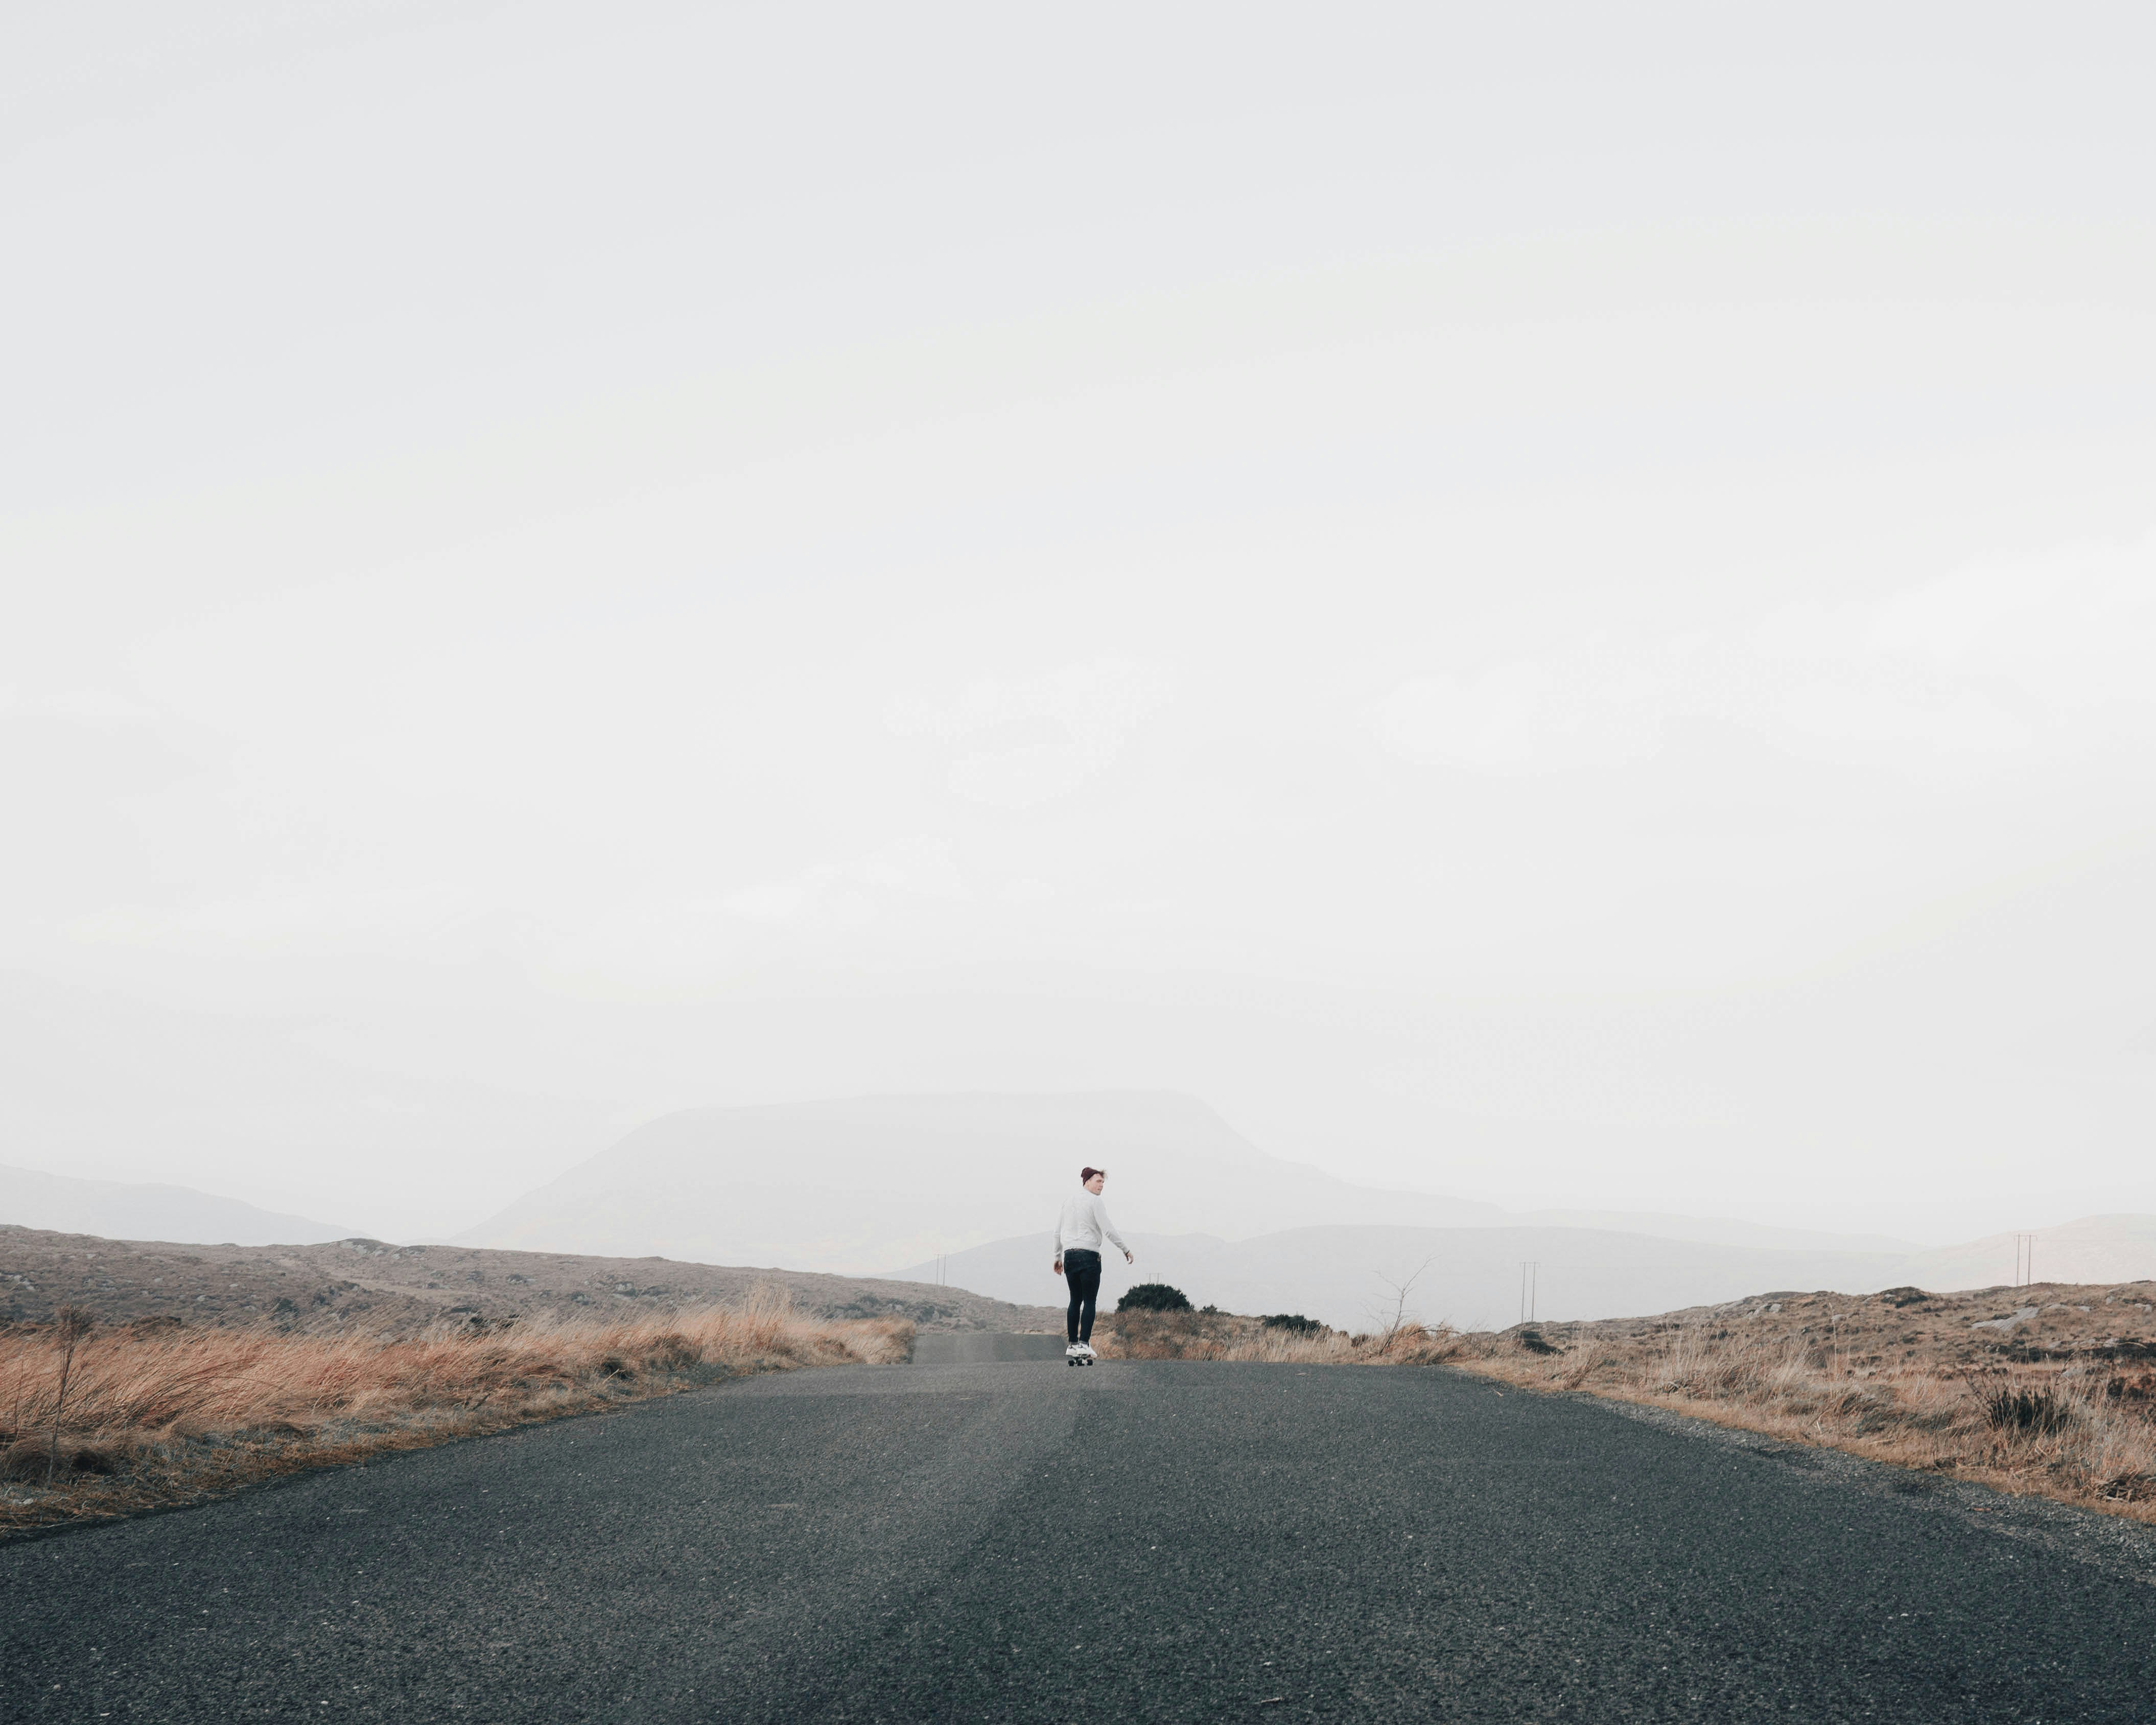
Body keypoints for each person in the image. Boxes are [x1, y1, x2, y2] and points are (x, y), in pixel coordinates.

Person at [1052, 1165, 1132, 1361]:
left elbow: (1058, 1231)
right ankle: (1084, 1344)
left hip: (1070, 1255)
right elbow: (1108, 1229)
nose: (1101, 1185)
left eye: (1103, 1182)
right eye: (1098, 1181)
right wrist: (1125, 1249)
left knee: (1074, 1300)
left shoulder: (1068, 1201)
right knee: (1089, 1301)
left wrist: (1057, 1256)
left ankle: (1072, 1344)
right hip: (1089, 1255)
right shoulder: (1095, 1202)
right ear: (1086, 1181)